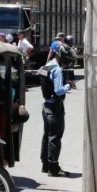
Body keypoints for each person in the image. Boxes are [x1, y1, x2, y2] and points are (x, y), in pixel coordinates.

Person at [39, 44, 72, 177]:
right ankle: (53, 168)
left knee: (47, 136)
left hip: (46, 106)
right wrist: (69, 86)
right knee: (55, 137)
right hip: (54, 108)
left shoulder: (46, 66)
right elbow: (58, 91)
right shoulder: (57, 69)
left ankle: (45, 165)